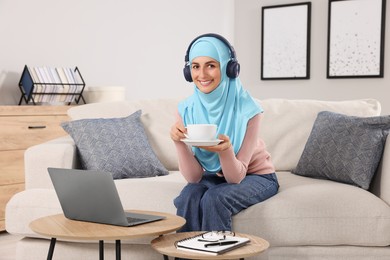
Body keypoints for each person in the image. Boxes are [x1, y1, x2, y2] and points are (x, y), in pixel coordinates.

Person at [170, 33, 279, 232]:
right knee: (189, 196)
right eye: (195, 66)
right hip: (213, 176)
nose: (202, 75)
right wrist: (179, 142)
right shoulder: (185, 109)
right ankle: (186, 253)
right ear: (188, 71)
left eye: (211, 65)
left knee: (215, 198)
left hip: (256, 176)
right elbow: (194, 178)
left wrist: (225, 151)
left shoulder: (250, 109)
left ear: (229, 68)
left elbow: (236, 178)